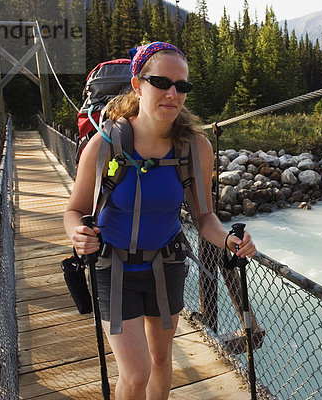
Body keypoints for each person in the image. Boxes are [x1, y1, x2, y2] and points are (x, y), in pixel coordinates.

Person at [64, 41, 256, 399]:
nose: (173, 94)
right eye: (162, 83)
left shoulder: (195, 147)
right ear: (138, 85)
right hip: (112, 268)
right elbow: (73, 210)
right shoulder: (105, 144)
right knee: (136, 373)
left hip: (165, 266)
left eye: (182, 86)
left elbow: (204, 217)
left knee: (161, 359)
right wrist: (78, 233)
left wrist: (229, 240)